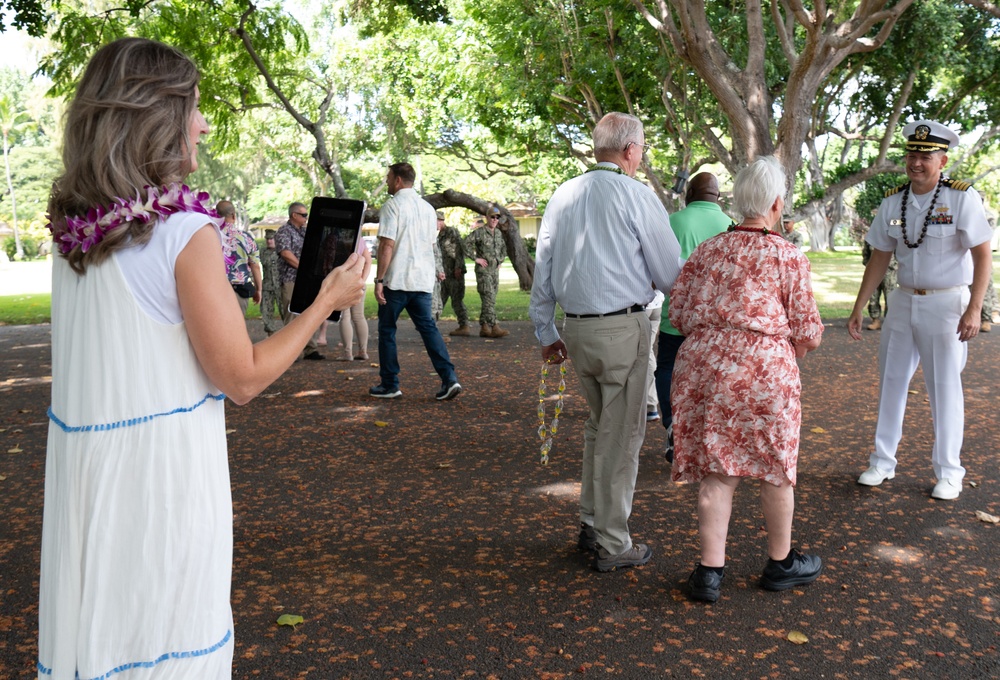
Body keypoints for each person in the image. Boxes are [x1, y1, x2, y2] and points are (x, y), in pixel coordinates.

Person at [38, 37, 369, 679]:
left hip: (87, 486)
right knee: (166, 643)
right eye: (193, 107)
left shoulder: (74, 234)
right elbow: (242, 377)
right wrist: (325, 300)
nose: (204, 123)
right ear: (157, 119)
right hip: (160, 486)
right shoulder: (183, 234)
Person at [529, 111, 682, 572]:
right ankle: (613, 542)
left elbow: (544, 269)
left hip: (576, 329)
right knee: (621, 437)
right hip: (622, 329)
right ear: (631, 150)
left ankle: (592, 523)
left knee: (600, 428)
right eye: (642, 149)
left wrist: (546, 331)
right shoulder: (637, 195)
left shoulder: (563, 194)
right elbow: (669, 273)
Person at [669, 156, 824, 603]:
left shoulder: (709, 250)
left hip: (705, 367)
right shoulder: (787, 255)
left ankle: (709, 574)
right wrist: (788, 348)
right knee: (775, 469)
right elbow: (809, 331)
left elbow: (677, 314)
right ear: (776, 204)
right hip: (765, 370)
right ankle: (780, 563)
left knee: (718, 472)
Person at [848, 120, 992, 501]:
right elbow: (881, 255)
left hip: (946, 304)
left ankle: (949, 472)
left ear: (942, 160)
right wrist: (860, 305)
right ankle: (882, 461)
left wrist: (974, 309)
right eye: (912, 155)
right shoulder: (894, 203)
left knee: (944, 388)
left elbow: (982, 256)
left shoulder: (962, 199)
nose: (917, 163)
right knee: (891, 382)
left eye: (926, 156)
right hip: (902, 300)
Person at [655, 172, 733, 462]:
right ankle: (710, 435)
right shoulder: (731, 225)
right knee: (713, 377)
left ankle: (673, 423)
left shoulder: (672, 221)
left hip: (675, 315)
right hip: (716, 320)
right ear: (718, 197)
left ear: (688, 194)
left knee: (666, 369)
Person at [370, 162, 462, 401]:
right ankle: (449, 378)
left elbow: (387, 245)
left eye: (389, 177)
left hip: (396, 281)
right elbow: (430, 245)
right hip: (422, 281)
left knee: (387, 331)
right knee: (429, 330)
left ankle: (390, 384)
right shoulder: (428, 209)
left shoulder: (392, 206)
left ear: (399, 180)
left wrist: (379, 279)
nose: (387, 181)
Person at [276, 202, 325, 360]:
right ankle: (293, 351)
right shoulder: (284, 231)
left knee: (307, 313)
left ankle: (310, 348)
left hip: (306, 279)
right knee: (291, 313)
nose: (306, 217)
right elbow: (285, 253)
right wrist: (303, 269)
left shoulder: (304, 232)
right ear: (294, 215)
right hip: (290, 278)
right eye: (303, 215)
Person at [464, 205, 509, 338]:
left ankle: (484, 327)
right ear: (487, 218)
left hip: (494, 272)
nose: (495, 220)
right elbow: (465, 243)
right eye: (492, 217)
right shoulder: (480, 232)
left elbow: (503, 249)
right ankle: (494, 326)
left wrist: (500, 260)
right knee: (488, 297)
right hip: (483, 272)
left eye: (497, 217)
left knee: (490, 300)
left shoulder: (498, 233)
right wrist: (476, 258)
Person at [216, 200, 262, 318]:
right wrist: (259, 290)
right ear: (234, 216)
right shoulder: (246, 238)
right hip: (240, 291)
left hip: (215, 290)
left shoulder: (210, 236)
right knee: (237, 328)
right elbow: (255, 265)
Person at [438, 211, 471, 336]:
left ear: (441, 220)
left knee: (457, 300)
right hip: (443, 274)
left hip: (454, 273)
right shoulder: (438, 236)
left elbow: (459, 250)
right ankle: (430, 325)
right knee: (439, 300)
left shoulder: (451, 232)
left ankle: (464, 325)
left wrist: (459, 267)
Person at [861, 239, 897, 331]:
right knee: (873, 296)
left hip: (890, 270)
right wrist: (868, 265)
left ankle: (890, 321)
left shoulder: (894, 234)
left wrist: (896, 265)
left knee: (890, 297)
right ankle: (875, 320)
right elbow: (866, 253)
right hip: (874, 271)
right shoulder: (871, 237)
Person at [259, 228, 284, 336]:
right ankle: (271, 335)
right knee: (266, 312)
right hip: (267, 287)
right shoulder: (263, 252)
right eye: (267, 239)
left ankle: (289, 336)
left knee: (285, 312)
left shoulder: (283, 251)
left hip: (281, 286)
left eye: (272, 238)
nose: (269, 241)